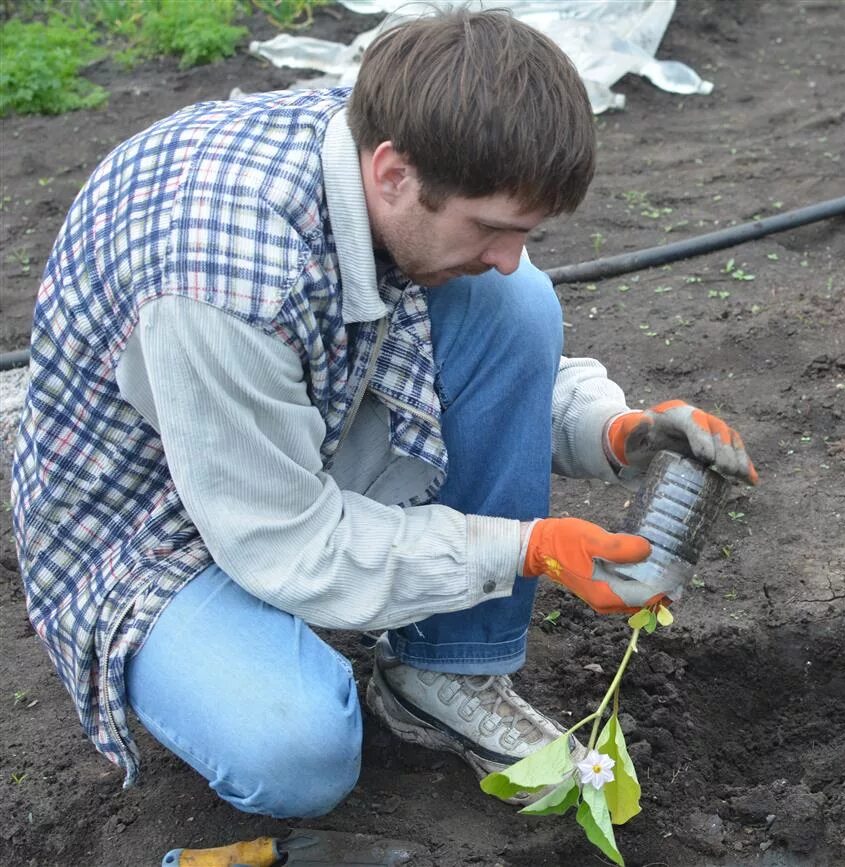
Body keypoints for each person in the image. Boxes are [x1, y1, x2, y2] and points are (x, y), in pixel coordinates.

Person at [10, 8, 757, 819]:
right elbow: (283, 537)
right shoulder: (223, 281)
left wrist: (617, 430)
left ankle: (448, 666)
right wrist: (528, 547)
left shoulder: (407, 145)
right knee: (294, 747)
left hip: (278, 430)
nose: (510, 253)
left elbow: (460, 359)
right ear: (394, 174)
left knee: (514, 303)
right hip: (144, 524)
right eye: (496, 228)